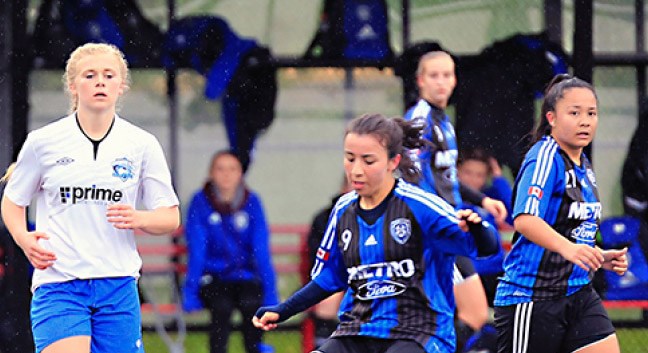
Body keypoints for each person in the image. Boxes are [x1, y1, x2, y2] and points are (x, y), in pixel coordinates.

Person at [253, 113, 499, 353]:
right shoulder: (342, 210)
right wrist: (284, 309)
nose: (356, 170)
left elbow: (487, 248)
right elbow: (331, 276)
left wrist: (476, 228)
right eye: (350, 158)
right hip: (357, 331)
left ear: (393, 162)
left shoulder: (420, 206)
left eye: (368, 161)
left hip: (419, 333)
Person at [0, 43, 181, 353]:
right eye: (90, 75)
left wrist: (140, 218)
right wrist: (22, 237)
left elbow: (170, 217)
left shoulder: (141, 144)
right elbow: (13, 200)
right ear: (73, 85)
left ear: (121, 85)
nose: (100, 82)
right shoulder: (43, 142)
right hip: (59, 283)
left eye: (109, 75)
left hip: (118, 285)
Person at [493, 74, 628, 353]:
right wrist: (570, 249)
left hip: (578, 291)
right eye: (574, 113)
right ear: (552, 118)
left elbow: (571, 226)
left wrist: (597, 256)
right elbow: (525, 219)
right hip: (532, 297)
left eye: (591, 113)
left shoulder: (583, 163)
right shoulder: (545, 156)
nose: (585, 121)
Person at [403, 50, 507, 351]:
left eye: (447, 75)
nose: (441, 82)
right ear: (420, 81)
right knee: (470, 314)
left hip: (451, 226)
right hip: (435, 232)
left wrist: (482, 200)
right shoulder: (420, 119)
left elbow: (445, 177)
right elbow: (405, 173)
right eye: (433, 75)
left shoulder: (443, 121)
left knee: (462, 315)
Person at [182, 150, 278, 353]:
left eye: (232, 169)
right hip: (213, 278)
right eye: (220, 169)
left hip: (245, 277)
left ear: (241, 174)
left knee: (252, 303)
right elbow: (197, 250)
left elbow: (261, 250)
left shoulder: (252, 202)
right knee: (222, 307)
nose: (226, 174)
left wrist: (271, 292)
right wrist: (190, 291)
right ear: (210, 173)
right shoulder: (200, 203)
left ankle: (255, 349)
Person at [303, 177, 352, 350]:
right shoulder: (325, 219)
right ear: (343, 188)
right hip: (338, 279)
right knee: (327, 299)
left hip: (374, 281)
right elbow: (319, 259)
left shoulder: (387, 215)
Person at [457, 148, 514, 227]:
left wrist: (498, 178)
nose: (473, 179)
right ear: (457, 171)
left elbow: (514, 215)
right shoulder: (451, 197)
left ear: (486, 177)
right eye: (468, 172)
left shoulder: (491, 197)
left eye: (480, 175)